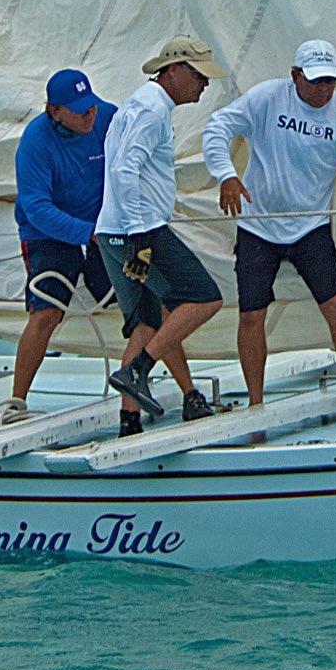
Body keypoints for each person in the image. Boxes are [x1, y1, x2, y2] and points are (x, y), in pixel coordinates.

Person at [202, 39, 336, 424]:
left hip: (310, 226)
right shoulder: (268, 97)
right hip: (257, 225)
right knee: (251, 316)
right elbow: (216, 128)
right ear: (295, 76)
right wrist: (226, 175)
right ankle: (256, 407)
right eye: (316, 81)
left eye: (330, 82)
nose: (324, 90)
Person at [97, 36, 230, 424]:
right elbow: (125, 170)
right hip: (139, 231)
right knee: (205, 298)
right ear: (173, 70)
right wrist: (140, 237)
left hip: (114, 230)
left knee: (146, 321)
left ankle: (129, 421)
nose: (205, 85)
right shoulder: (151, 110)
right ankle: (137, 370)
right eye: (199, 76)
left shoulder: (141, 104)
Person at [9, 68, 119, 422]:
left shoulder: (108, 117)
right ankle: (16, 401)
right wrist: (86, 233)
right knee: (46, 313)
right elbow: (37, 209)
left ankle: (184, 388)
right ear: (54, 110)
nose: (89, 115)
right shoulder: (35, 142)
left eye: (90, 106)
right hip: (48, 231)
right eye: (79, 110)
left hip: (101, 223)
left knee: (142, 301)